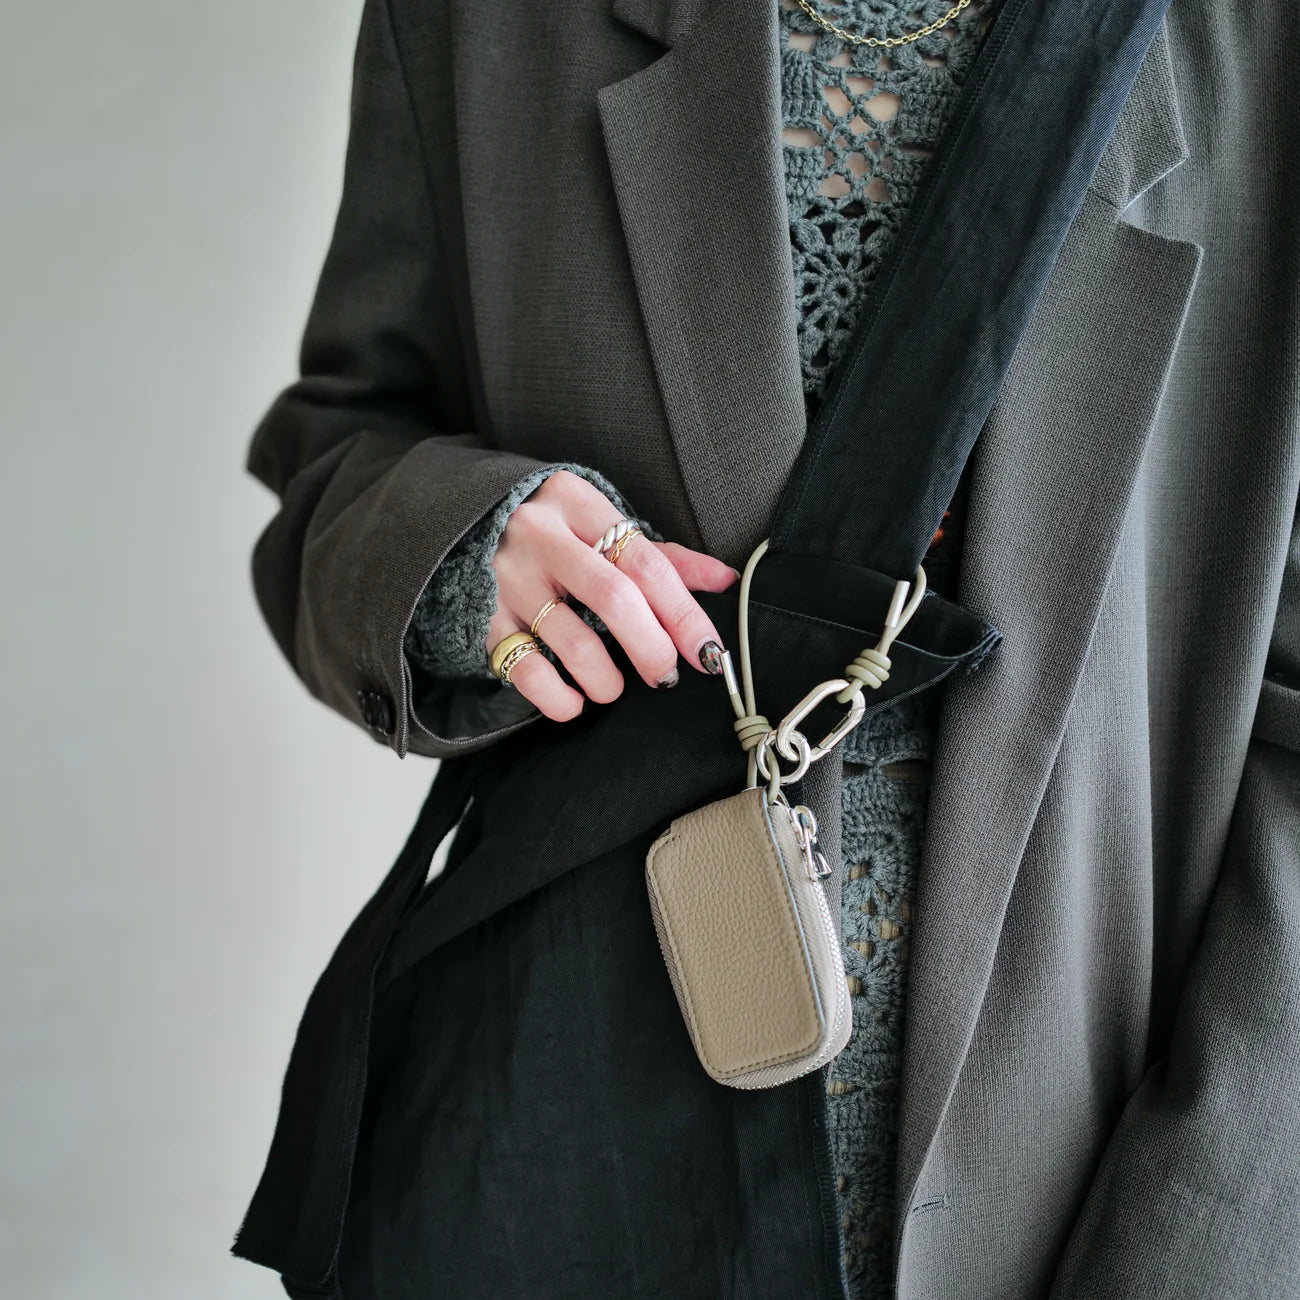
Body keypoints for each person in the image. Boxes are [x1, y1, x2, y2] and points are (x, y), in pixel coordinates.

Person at [235, 1, 1300, 1297]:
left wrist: (1206, 1241)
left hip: (1073, 1176)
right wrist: (468, 552)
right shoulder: (486, 23)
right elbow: (337, 459)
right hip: (568, 1127)